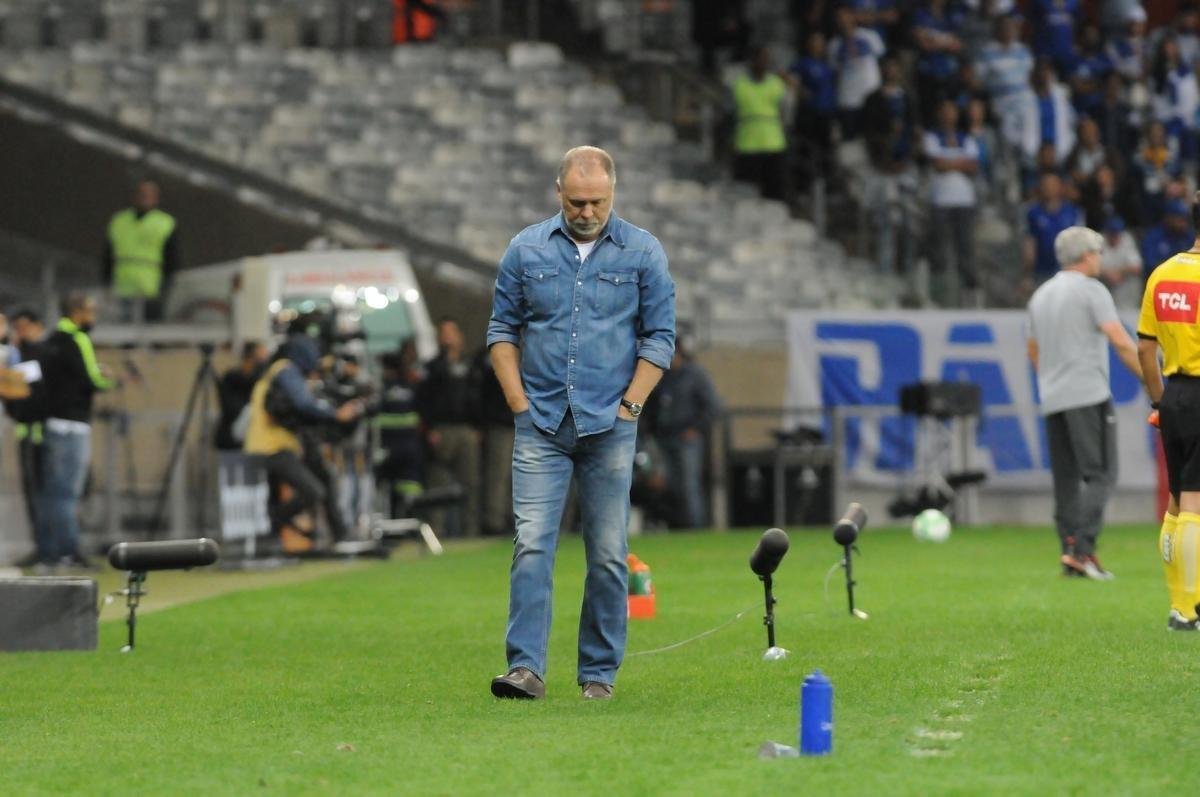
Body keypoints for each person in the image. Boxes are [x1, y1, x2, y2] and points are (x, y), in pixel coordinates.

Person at [486, 146, 675, 701]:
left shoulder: (643, 252)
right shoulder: (525, 248)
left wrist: (632, 407)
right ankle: (525, 669)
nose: (587, 211)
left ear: (613, 193)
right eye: (576, 201)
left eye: (596, 201)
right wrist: (518, 403)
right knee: (532, 546)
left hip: (611, 423)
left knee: (610, 553)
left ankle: (599, 675)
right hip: (540, 421)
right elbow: (502, 331)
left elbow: (660, 337)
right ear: (558, 192)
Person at [1027, 227, 1142, 580]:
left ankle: (1069, 550)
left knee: (1066, 479)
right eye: (1097, 252)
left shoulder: (1041, 294)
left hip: (1054, 396)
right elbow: (1120, 341)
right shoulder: (1092, 290)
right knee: (1100, 474)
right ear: (1087, 255)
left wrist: (1050, 379)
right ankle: (1084, 551)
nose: (1100, 258)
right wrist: (1153, 385)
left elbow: (1033, 350)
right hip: (1087, 394)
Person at [1137, 192, 1200, 629]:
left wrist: (1160, 400)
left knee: (1178, 500)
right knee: (1196, 501)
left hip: (1174, 393)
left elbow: (1145, 349)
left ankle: (1179, 602)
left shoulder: (1162, 274)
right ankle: (1190, 608)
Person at [243, 334, 362, 551]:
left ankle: (273, 537)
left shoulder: (276, 371)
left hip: (271, 445)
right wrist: (336, 414)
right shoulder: (285, 370)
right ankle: (276, 520)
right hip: (272, 446)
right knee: (314, 491)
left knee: (317, 483)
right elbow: (304, 403)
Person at [37, 293, 114, 569]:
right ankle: (68, 551)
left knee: (51, 493)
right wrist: (109, 380)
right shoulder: (78, 339)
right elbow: (91, 379)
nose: (92, 318)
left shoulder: (49, 342)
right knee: (68, 493)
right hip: (74, 425)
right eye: (89, 312)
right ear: (76, 312)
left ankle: (48, 552)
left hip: (53, 424)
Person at [648, 338, 721, 529]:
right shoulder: (662, 375)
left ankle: (695, 527)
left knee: (689, 485)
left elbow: (712, 406)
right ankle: (676, 526)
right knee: (670, 486)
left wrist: (696, 428)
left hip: (687, 438)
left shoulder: (696, 375)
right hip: (664, 438)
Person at [418, 317, 481, 537]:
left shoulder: (471, 365)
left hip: (465, 429)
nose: (447, 337)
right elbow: (423, 402)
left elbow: (478, 398)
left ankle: (470, 531)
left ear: (459, 336)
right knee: (438, 482)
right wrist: (430, 428)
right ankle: (436, 531)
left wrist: (477, 427)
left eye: (450, 332)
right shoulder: (432, 367)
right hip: (441, 429)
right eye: (443, 332)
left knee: (470, 483)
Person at [863, 56, 918, 276]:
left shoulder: (909, 98)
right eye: (888, 69)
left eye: (895, 68)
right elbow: (869, 134)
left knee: (909, 223)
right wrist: (882, 160)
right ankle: (884, 270)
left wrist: (906, 160)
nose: (891, 72)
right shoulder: (873, 100)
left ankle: (908, 269)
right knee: (885, 221)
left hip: (905, 167)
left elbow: (915, 132)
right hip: (882, 168)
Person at [923, 99, 981, 306]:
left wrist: (948, 162)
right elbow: (936, 163)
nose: (949, 115)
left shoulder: (966, 138)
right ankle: (939, 297)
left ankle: (970, 297)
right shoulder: (931, 137)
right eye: (945, 111)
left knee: (965, 249)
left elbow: (973, 165)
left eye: (952, 111)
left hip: (964, 200)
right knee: (939, 250)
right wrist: (959, 162)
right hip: (940, 200)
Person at [102, 179, 179, 323]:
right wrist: (106, 282)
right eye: (141, 194)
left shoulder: (165, 222)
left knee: (152, 328)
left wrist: (166, 285)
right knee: (124, 330)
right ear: (134, 196)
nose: (144, 198)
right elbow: (107, 254)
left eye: (148, 195)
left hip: (152, 286)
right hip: (123, 285)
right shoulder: (119, 221)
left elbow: (172, 258)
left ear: (156, 198)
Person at [7, 309, 47, 568]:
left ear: (37, 326)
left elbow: (32, 393)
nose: (19, 334)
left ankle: (50, 548)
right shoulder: (20, 355)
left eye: (23, 327)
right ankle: (41, 546)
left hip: (40, 435)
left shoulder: (40, 355)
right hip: (26, 432)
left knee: (45, 494)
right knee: (34, 495)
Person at [730, 47, 792, 202]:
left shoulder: (777, 85)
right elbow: (730, 114)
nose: (764, 62)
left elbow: (786, 113)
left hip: (773, 145)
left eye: (766, 59)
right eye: (760, 58)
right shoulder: (739, 85)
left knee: (775, 194)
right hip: (747, 145)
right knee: (745, 194)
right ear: (752, 61)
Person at [374, 342, 425, 518]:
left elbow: (375, 416)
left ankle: (392, 525)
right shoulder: (411, 387)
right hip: (411, 447)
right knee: (410, 487)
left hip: (387, 449)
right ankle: (413, 521)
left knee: (387, 489)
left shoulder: (383, 390)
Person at [472, 345, 515, 537]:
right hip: (500, 423)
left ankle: (515, 520)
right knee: (498, 474)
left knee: (522, 475)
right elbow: (482, 392)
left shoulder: (530, 349)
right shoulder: (490, 355)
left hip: (525, 423)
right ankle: (494, 522)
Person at [828, 7, 886, 139]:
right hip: (847, 98)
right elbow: (834, 72)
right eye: (839, 19)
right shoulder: (834, 44)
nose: (843, 21)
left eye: (845, 17)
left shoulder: (870, 36)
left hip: (870, 95)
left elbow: (882, 62)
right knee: (851, 138)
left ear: (853, 17)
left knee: (873, 137)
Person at [1024, 173, 1083, 291]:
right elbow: (1030, 242)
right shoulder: (1033, 213)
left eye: (1053, 185)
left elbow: (1079, 242)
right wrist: (1027, 274)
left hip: (1067, 270)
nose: (1049, 189)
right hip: (1042, 270)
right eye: (1046, 185)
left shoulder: (1072, 212)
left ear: (1060, 187)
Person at [215, 340, 268, 451]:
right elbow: (231, 408)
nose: (265, 358)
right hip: (232, 439)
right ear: (251, 357)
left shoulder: (259, 379)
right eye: (262, 355)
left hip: (252, 439)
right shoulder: (232, 378)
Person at [1098, 215, 1144, 308]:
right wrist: (1107, 273)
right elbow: (1089, 267)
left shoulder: (1127, 240)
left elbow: (1137, 267)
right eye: (1112, 233)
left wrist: (1121, 272)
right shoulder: (1098, 241)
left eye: (1117, 233)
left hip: (1126, 294)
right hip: (1104, 291)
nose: (1115, 236)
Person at [1142, 199, 1195, 273]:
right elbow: (1150, 264)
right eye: (1180, 220)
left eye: (1185, 219)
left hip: (1185, 277)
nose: (1183, 224)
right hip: (1162, 278)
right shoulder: (1154, 237)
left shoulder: (1189, 235)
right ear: (1169, 218)